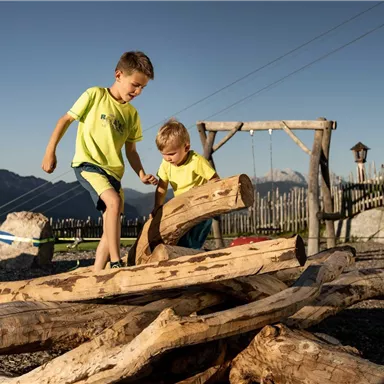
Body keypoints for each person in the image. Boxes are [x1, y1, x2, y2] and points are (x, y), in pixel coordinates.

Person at [42, 51, 158, 271]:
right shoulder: (95, 95)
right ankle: (116, 263)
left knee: (111, 224)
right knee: (113, 203)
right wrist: (50, 152)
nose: (138, 92)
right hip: (89, 165)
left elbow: (131, 150)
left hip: (115, 173)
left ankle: (97, 273)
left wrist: (141, 174)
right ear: (118, 75)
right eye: (135, 85)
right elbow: (65, 120)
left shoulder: (132, 115)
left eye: (143, 88)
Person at [152, 119, 219, 249]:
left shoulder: (196, 161)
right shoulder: (166, 164)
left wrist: (211, 199)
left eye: (171, 154)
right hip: (182, 208)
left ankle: (193, 259)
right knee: (180, 241)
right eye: (163, 155)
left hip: (200, 208)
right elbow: (162, 187)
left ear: (186, 147)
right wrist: (157, 206)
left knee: (192, 242)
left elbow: (215, 180)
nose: (167, 158)